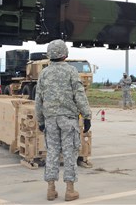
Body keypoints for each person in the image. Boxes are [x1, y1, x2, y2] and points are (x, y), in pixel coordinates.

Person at [35, 39, 92, 201]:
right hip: (68, 119)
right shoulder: (71, 71)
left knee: (52, 152)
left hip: (50, 120)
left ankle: (51, 189)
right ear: (65, 54)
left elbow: (38, 99)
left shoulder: (44, 73)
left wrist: (40, 120)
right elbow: (79, 94)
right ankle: (70, 190)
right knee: (69, 153)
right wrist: (87, 115)